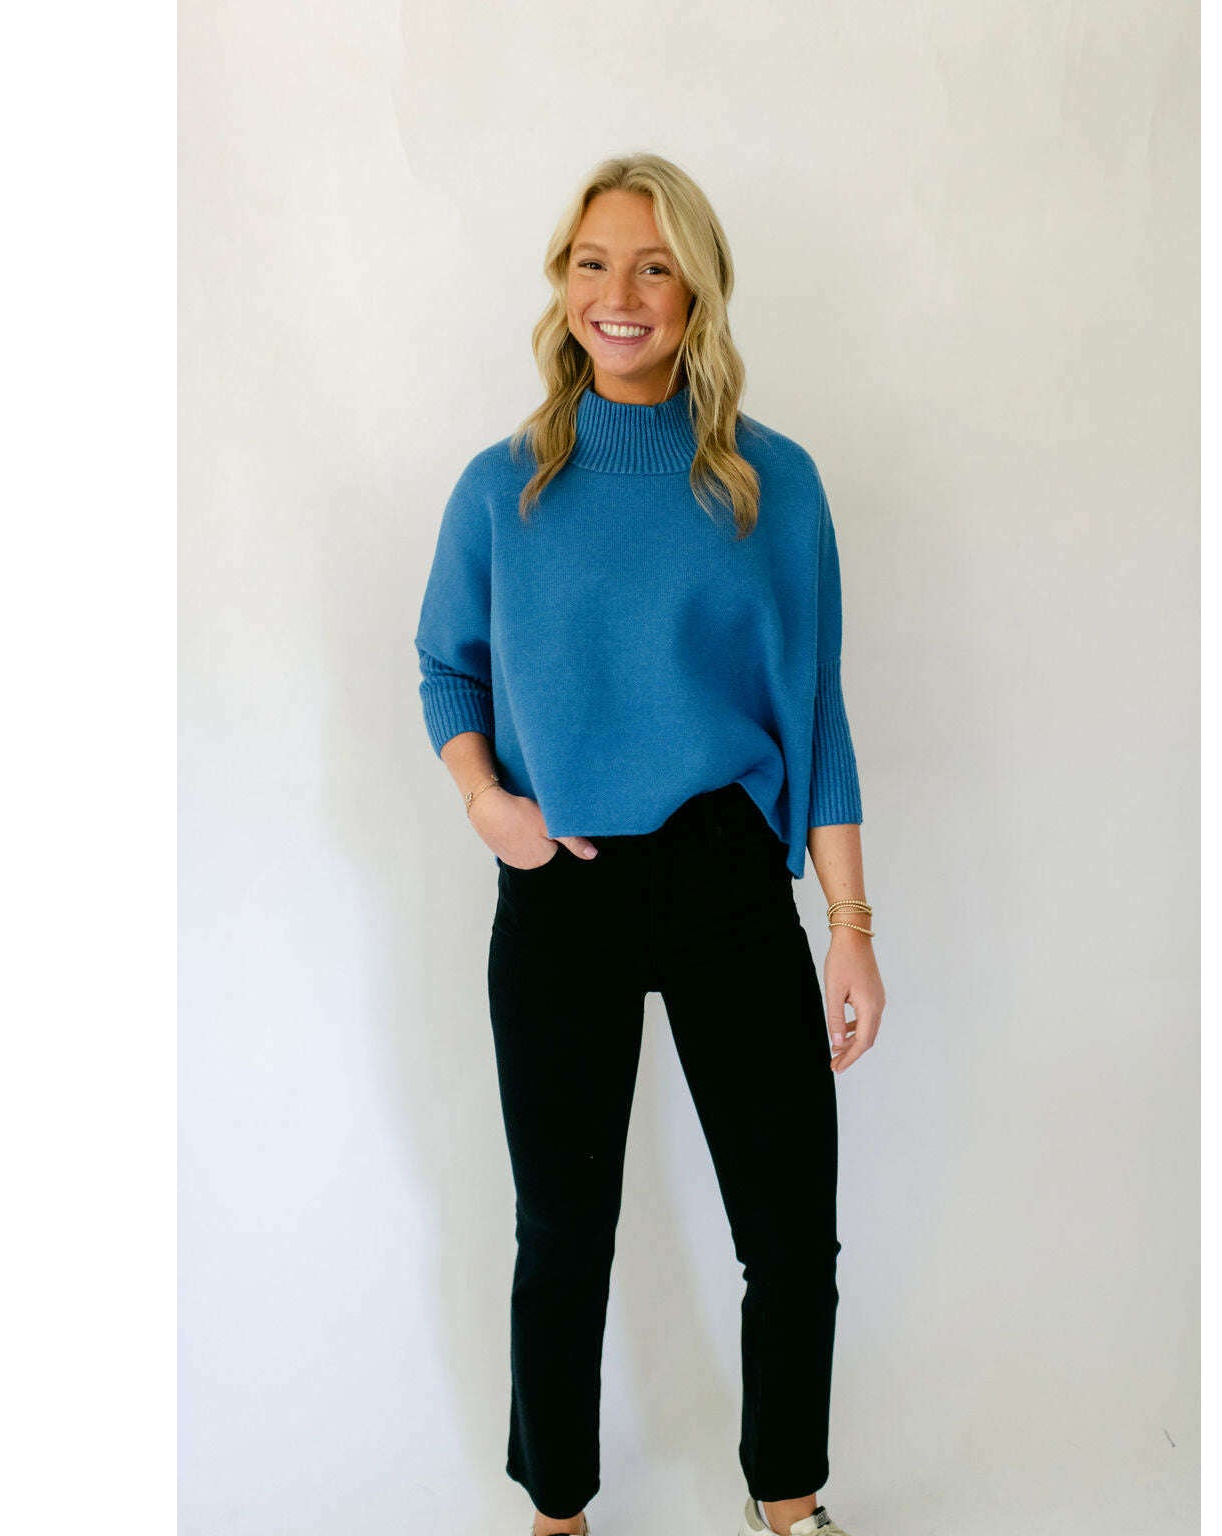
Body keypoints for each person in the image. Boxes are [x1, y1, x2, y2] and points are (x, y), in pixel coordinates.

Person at [414, 153, 887, 1536]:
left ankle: (787, 1504)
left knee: (788, 1230)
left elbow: (817, 712)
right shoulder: (503, 489)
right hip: (562, 887)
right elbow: (448, 668)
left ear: (697, 292)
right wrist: (489, 806)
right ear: (563, 286)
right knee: (562, 1237)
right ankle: (557, 1513)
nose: (618, 293)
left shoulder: (772, 484)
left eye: (653, 265)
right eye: (592, 263)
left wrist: (850, 927)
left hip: (728, 878)